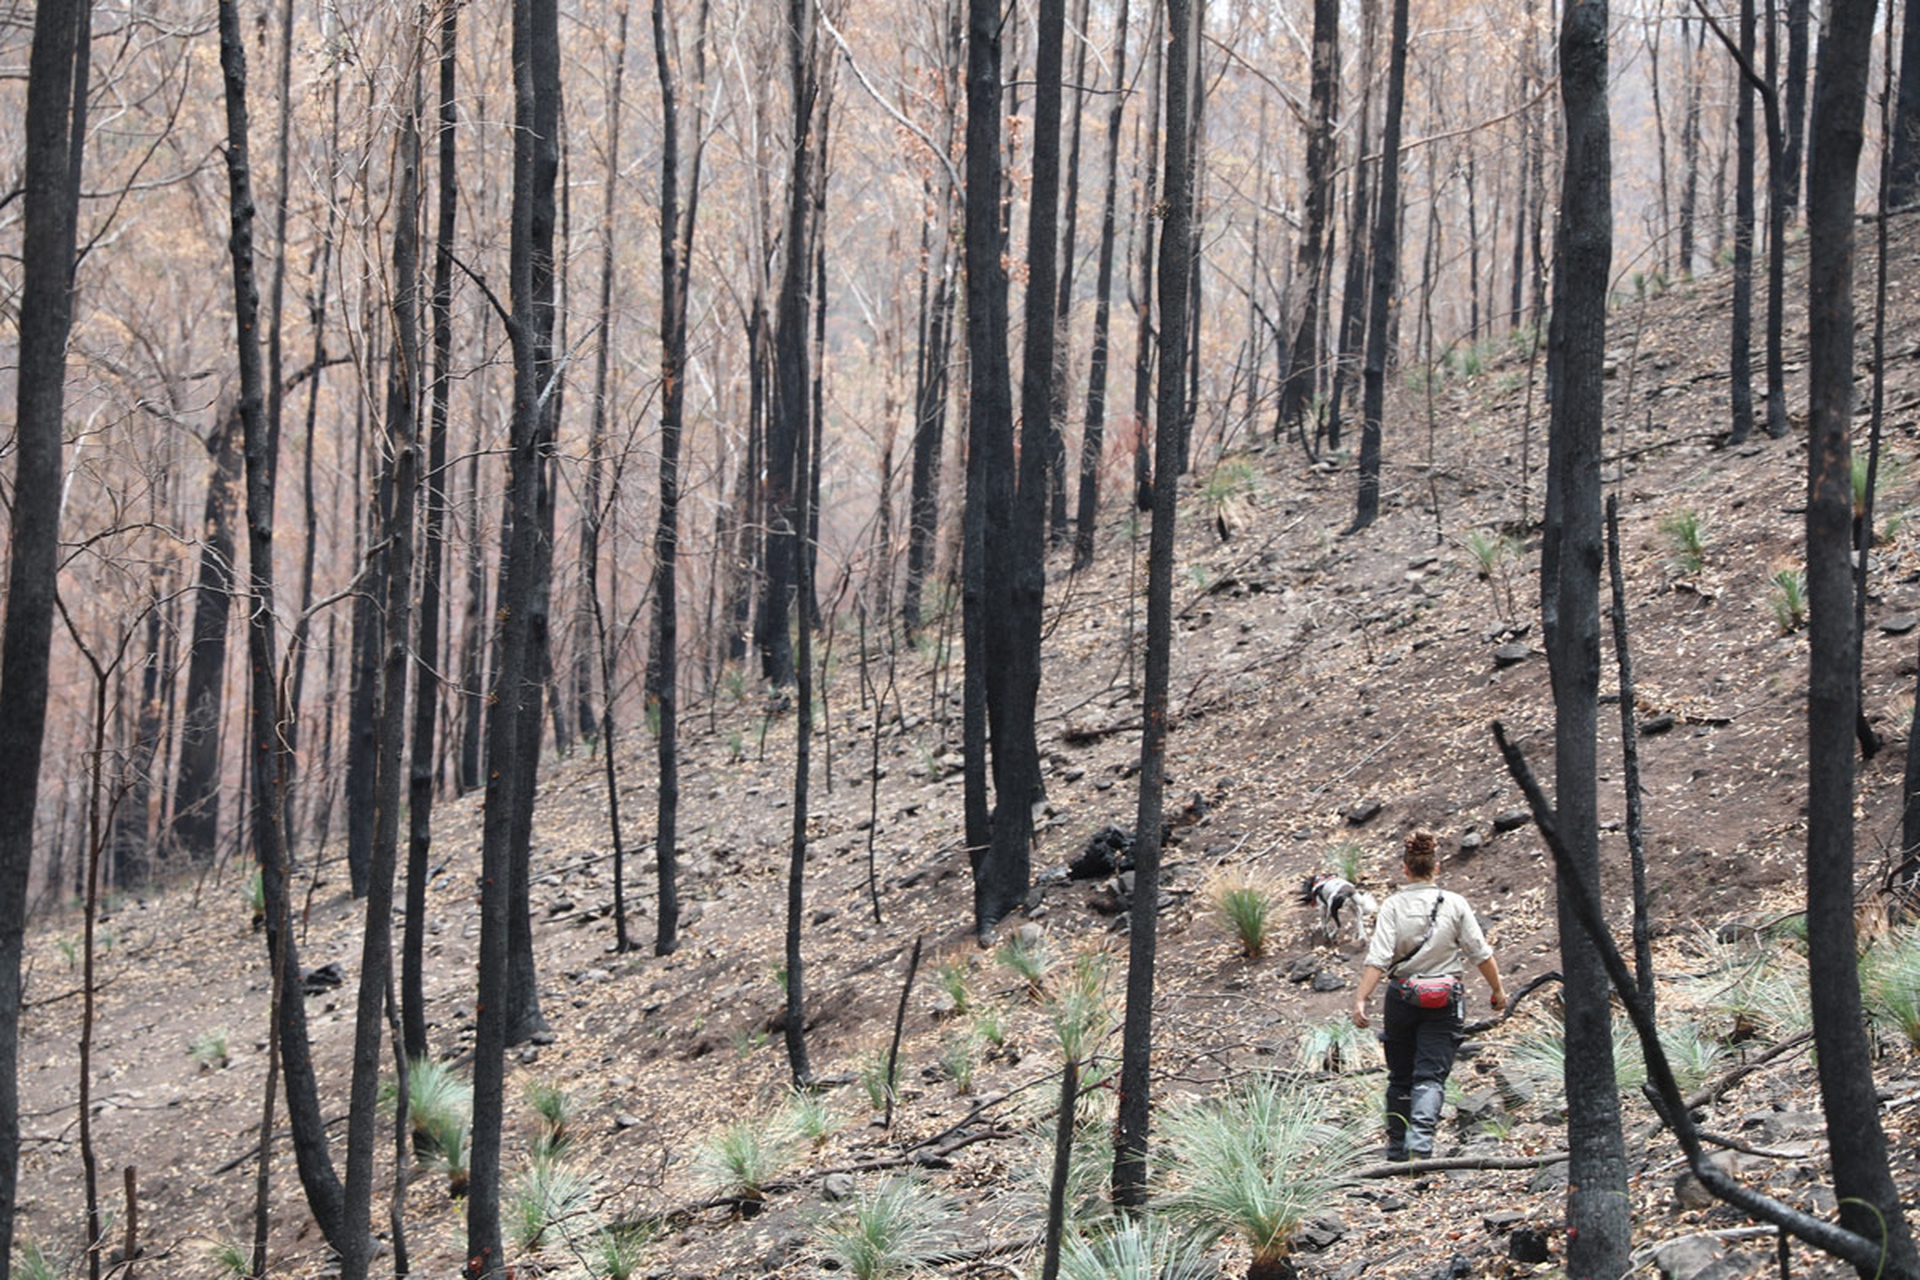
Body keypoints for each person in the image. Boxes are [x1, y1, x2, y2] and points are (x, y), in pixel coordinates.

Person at [1350, 830, 1505, 1161]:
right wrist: (1497, 990)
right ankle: (1421, 1144)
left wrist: (1362, 999)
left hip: (1401, 997)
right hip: (1446, 999)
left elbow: (1378, 958)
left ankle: (1396, 1147)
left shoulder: (1392, 906)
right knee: (1430, 1076)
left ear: (1404, 870)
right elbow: (1480, 953)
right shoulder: (1455, 903)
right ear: (1437, 868)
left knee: (1400, 1076)